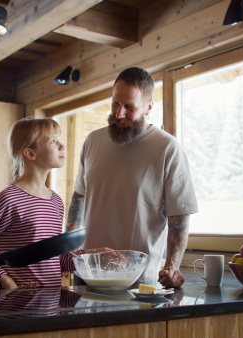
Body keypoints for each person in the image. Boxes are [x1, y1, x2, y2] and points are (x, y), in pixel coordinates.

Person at [66, 67, 198, 288]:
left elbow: (180, 215)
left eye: (129, 107)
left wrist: (171, 266)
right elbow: (78, 198)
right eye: (115, 103)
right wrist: (70, 253)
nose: (118, 114)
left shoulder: (168, 148)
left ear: (148, 107)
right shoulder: (92, 141)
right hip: (87, 274)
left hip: (139, 280)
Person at [0, 117, 112, 290]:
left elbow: (53, 259)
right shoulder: (9, 199)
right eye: (53, 141)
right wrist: (4, 281)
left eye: (59, 139)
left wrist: (91, 256)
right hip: (14, 309)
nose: (62, 146)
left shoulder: (56, 201)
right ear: (30, 153)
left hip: (49, 305)